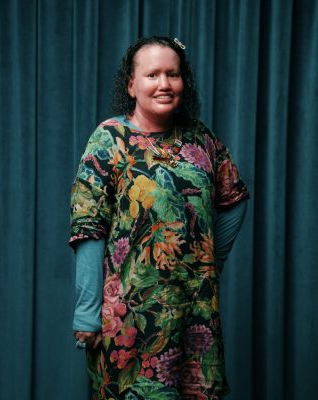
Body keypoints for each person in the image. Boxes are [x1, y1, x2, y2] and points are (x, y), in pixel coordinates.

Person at [69, 36, 249, 400]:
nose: (164, 84)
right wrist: (87, 314)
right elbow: (89, 228)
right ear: (131, 84)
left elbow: (234, 198)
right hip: (131, 320)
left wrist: (208, 260)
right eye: (152, 75)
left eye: (173, 74)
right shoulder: (109, 139)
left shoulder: (201, 139)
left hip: (195, 315)